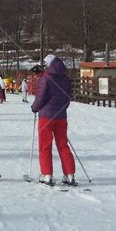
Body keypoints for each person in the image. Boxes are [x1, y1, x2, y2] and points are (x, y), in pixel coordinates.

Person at [31, 55, 76, 186]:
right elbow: (68, 97)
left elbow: (40, 98)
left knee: (45, 145)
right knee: (63, 145)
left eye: (45, 65)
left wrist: (34, 108)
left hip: (46, 117)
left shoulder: (45, 78)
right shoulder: (66, 79)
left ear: (49, 65)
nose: (44, 67)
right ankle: (70, 174)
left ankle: (47, 174)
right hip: (61, 116)